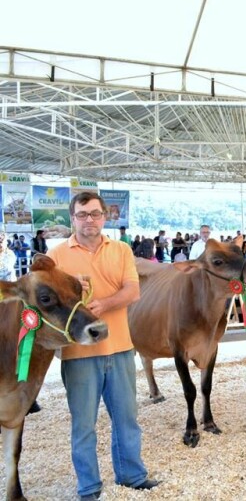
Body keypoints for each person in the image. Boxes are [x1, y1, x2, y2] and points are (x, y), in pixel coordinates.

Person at [47, 192, 159, 499]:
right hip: (78, 353)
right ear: (72, 218)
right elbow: (47, 303)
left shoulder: (121, 250)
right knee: (84, 425)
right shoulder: (56, 256)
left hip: (121, 346)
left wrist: (104, 304)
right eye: (82, 215)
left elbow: (133, 292)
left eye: (95, 214)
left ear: (104, 217)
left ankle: (132, 476)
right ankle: (89, 486)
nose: (89, 220)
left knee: (127, 419)